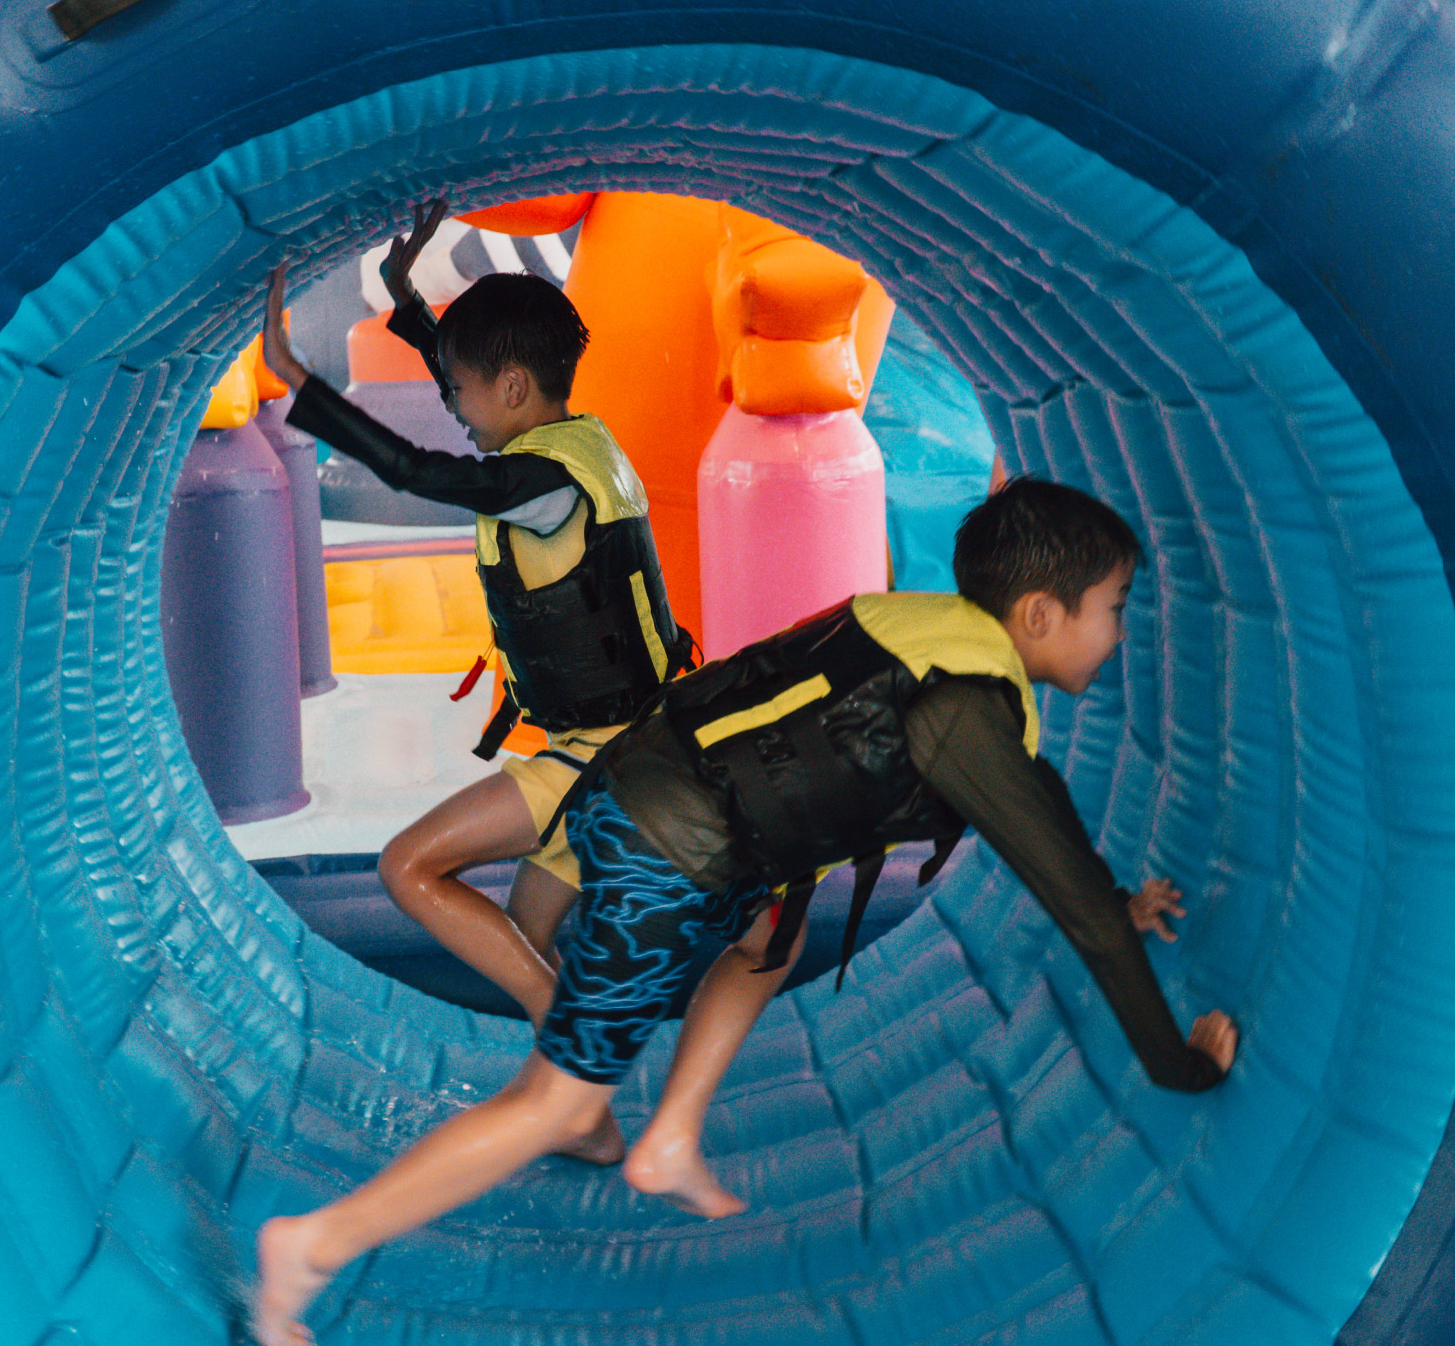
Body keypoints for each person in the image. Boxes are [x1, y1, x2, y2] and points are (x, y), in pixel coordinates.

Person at [251, 476, 1239, 1346]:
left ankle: (670, 1137)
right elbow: (1078, 912)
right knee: (557, 1100)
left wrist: (1115, 889)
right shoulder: (963, 709)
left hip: (654, 790)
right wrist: (1178, 1066)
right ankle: (314, 1242)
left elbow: (1037, 802)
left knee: (773, 933)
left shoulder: (924, 628)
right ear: (1036, 613)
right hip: (664, 848)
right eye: (1113, 607)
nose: (1118, 629)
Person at [261, 205, 692, 1090]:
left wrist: (299, 382)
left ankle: (575, 1062)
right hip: (635, 739)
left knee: (410, 868)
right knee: (524, 939)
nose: (455, 412)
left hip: (599, 760)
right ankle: (573, 1107)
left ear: (512, 392)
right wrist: (403, 294)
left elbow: (421, 470)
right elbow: (471, 393)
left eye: (460, 395)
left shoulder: (537, 484)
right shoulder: (581, 445)